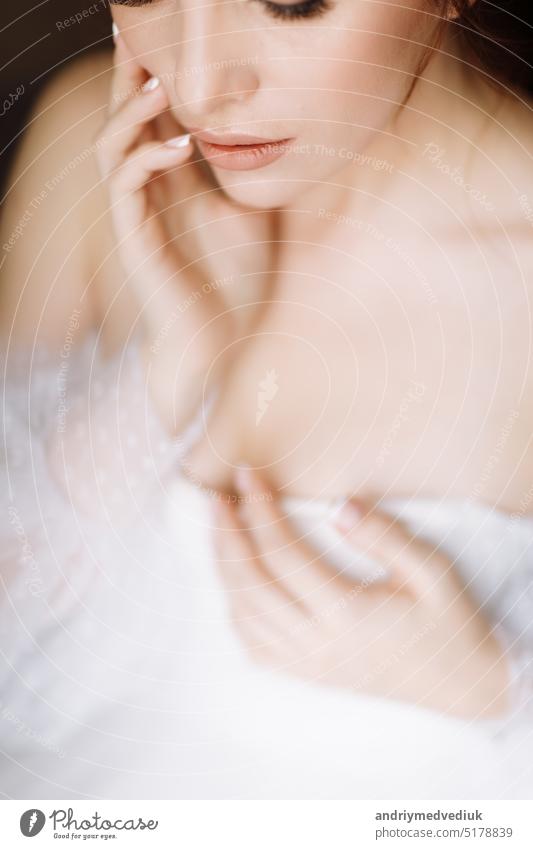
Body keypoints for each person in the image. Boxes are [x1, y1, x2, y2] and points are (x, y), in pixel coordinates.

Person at [1, 0, 533, 798]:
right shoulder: (94, 145)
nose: (200, 83)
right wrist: (166, 371)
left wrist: (498, 693)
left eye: (292, 2)